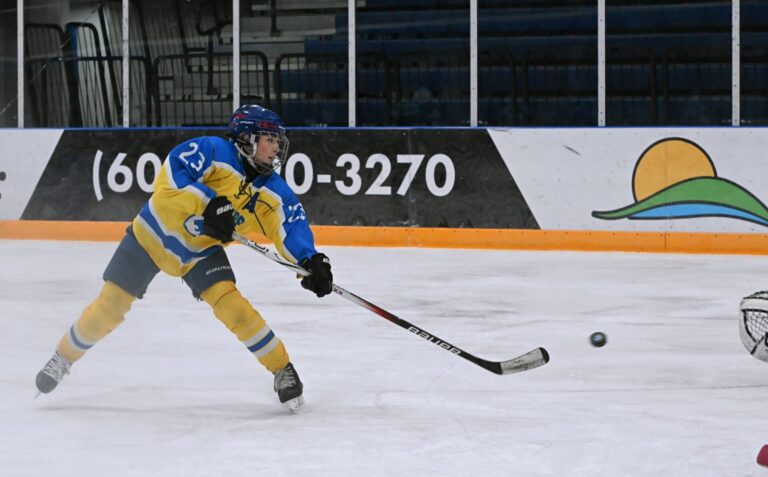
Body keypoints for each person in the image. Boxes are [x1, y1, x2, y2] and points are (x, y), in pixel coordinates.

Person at [34, 105, 333, 412]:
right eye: (269, 139)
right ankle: (63, 356)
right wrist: (208, 204)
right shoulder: (211, 150)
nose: (275, 148)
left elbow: (291, 226)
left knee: (234, 307)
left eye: (277, 141)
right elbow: (170, 183)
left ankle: (282, 368)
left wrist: (310, 261)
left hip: (200, 251)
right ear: (246, 139)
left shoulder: (273, 191)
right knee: (108, 308)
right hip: (151, 234)